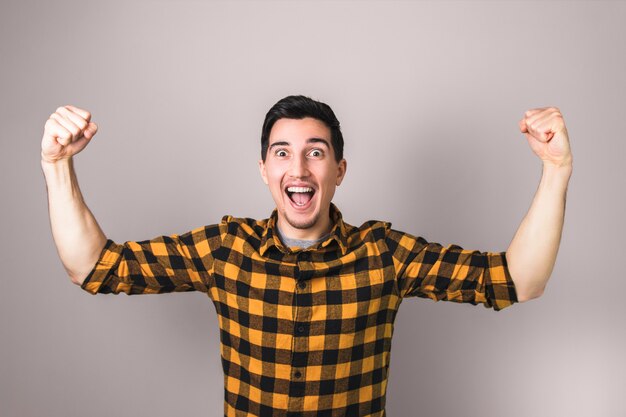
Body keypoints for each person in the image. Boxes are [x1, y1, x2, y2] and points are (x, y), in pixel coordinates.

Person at [40, 95, 573, 417]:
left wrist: (556, 170)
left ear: (339, 170)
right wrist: (56, 165)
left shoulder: (382, 254)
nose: (299, 168)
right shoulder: (227, 250)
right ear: (264, 170)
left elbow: (517, 280)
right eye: (283, 153)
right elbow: (94, 267)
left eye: (315, 152)